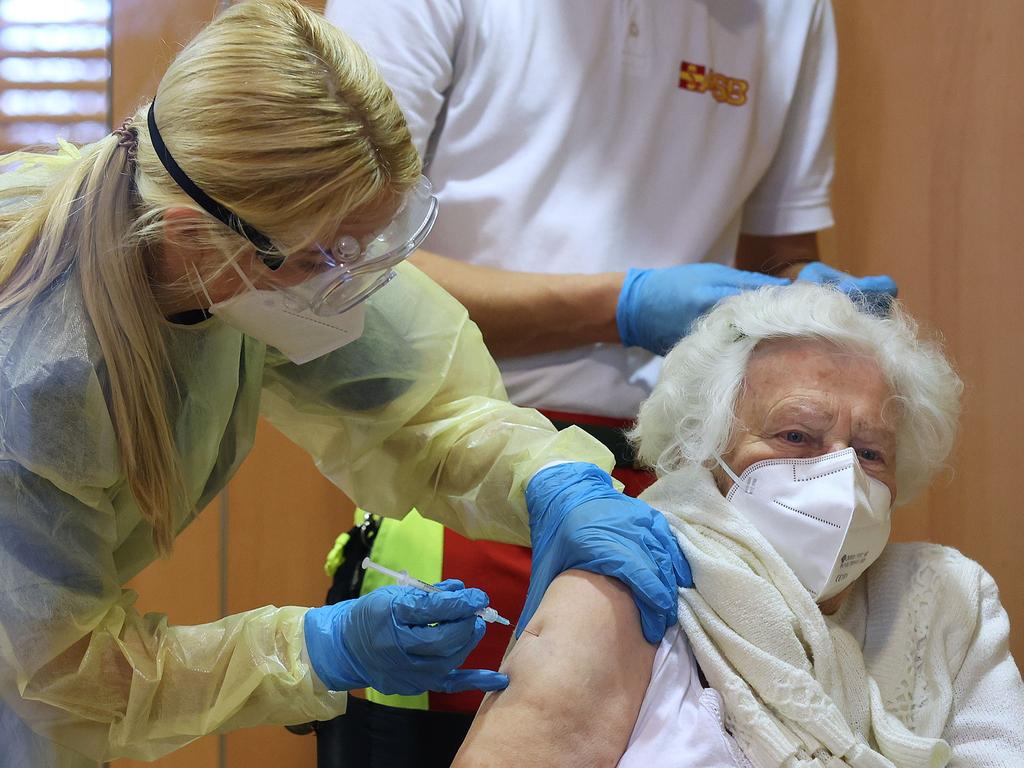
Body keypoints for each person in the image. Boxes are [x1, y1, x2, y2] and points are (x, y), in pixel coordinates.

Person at [0, 2, 690, 765]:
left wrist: (555, 480)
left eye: (366, 247)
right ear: (190, 238)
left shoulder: (242, 248)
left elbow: (425, 413)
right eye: (324, 260)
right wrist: (319, 650)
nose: (350, 288)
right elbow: (62, 678)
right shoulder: (32, 382)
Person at [317, 0, 897, 763]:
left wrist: (799, 306)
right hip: (454, 463)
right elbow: (335, 265)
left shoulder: (787, 12)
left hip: (680, 500)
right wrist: (618, 306)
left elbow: (778, 250)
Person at [453, 284, 1024, 767]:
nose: (841, 475)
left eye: (871, 453)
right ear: (705, 449)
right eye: (795, 436)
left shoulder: (947, 598)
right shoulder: (630, 584)